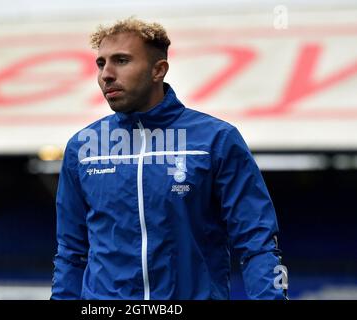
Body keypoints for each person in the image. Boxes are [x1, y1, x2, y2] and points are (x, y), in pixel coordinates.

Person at [51, 17, 287, 300]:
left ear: (158, 70)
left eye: (122, 61)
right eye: (101, 64)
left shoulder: (216, 140)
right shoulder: (83, 148)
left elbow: (257, 242)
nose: (106, 74)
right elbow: (71, 253)